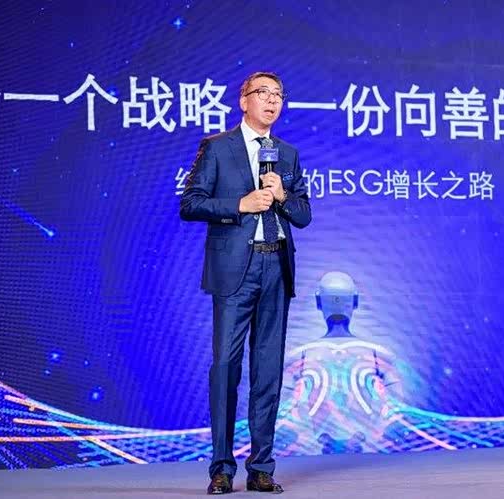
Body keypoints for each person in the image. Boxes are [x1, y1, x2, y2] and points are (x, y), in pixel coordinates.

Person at [179, 71, 312, 495]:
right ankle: (221, 468)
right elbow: (191, 203)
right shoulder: (218, 147)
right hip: (235, 270)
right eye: (263, 93)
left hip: (276, 267)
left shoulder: (286, 155)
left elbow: (304, 215)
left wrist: (282, 196)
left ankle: (261, 467)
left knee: (268, 370)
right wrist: (240, 203)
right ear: (243, 100)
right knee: (226, 368)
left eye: (278, 95)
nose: (272, 101)